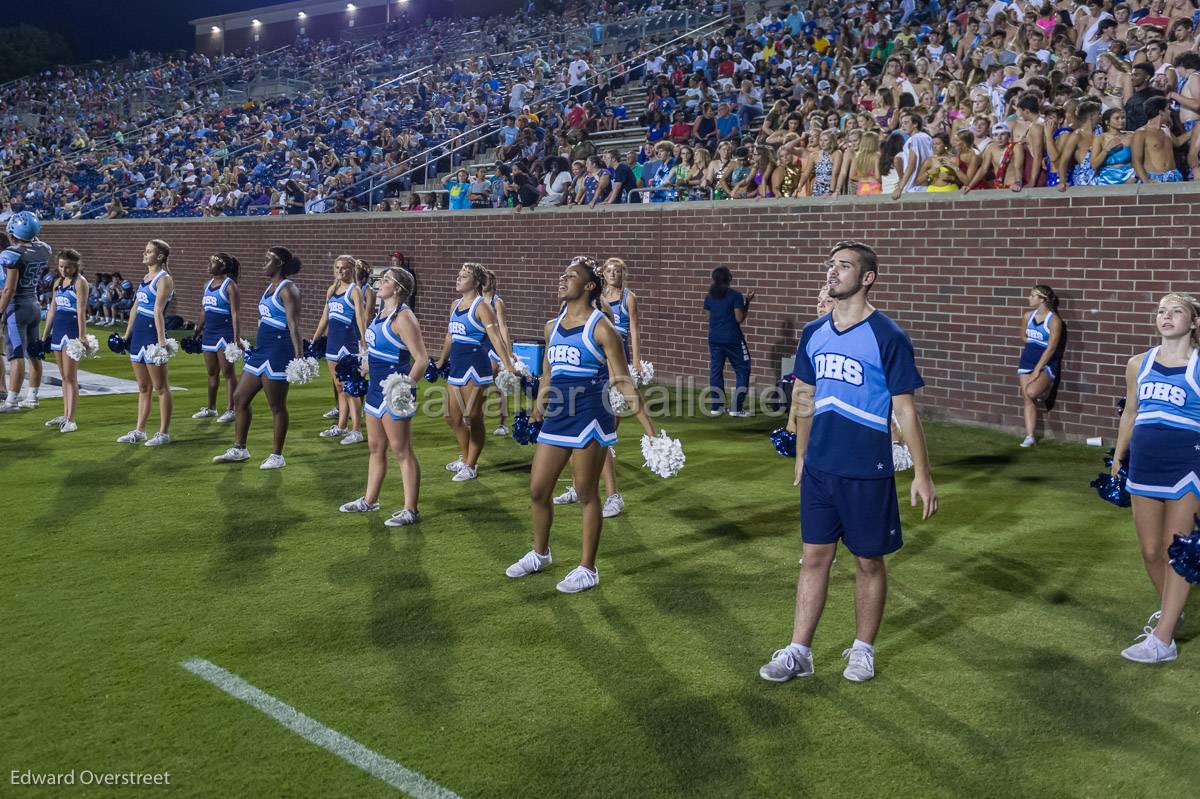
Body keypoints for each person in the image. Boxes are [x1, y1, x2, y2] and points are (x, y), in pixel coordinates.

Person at [760, 241, 937, 685]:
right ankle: (799, 650)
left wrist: (922, 473)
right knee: (813, 558)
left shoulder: (888, 336)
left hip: (867, 469)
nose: (833, 272)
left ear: (867, 277)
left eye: (844, 266)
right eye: (831, 265)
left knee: (868, 562)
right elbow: (803, 394)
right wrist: (801, 455)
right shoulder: (814, 331)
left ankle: (863, 649)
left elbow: (906, 411)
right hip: (820, 467)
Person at [505, 256, 655, 594]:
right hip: (557, 415)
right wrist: (537, 410)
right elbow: (548, 374)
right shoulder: (551, 326)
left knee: (587, 493)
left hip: (590, 416)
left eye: (570, 276)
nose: (562, 279)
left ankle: (588, 568)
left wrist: (648, 427)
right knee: (538, 489)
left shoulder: (601, 327)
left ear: (589, 286)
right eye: (562, 274)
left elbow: (622, 380)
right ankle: (540, 553)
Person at [1111, 293, 1200, 664]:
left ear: (1193, 322)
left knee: (1177, 550)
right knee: (1150, 551)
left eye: (1176, 311)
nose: (1166, 316)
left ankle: (1163, 641)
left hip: (1186, 468)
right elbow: (1130, 413)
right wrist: (1118, 458)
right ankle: (1171, 613)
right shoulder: (1138, 363)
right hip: (1144, 467)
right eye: (1161, 310)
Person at [555, 257, 648, 518]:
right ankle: (578, 487)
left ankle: (613, 496)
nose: (564, 280)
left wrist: (625, 370)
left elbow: (608, 348)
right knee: (577, 441)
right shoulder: (565, 307)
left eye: (571, 275)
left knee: (601, 440)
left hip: (600, 382)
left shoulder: (602, 308)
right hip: (571, 390)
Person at [339, 267, 428, 526]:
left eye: (386, 280)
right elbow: (378, 352)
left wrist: (405, 386)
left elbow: (421, 359)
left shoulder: (403, 318)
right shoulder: (381, 313)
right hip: (375, 390)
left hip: (394, 392)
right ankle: (370, 500)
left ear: (398, 288)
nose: (380, 283)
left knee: (402, 450)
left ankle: (411, 510)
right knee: (375, 448)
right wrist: (362, 368)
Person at [212, 246, 304, 470]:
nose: (264, 264)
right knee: (239, 397)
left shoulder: (288, 289)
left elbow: (293, 325)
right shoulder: (269, 288)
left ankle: (276, 455)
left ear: (279, 264)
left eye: (268, 260)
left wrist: (300, 358)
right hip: (262, 350)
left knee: (276, 405)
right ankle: (240, 449)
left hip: (279, 351)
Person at [436, 262, 516, 482]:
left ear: (476, 282)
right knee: (451, 417)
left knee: (473, 416)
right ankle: (465, 456)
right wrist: (441, 360)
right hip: (456, 366)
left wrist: (507, 363)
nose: (458, 278)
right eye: (459, 275)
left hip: (475, 367)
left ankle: (471, 465)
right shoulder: (455, 304)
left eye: (463, 276)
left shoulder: (483, 306)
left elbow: (495, 337)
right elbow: (449, 336)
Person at [116, 240, 175, 446]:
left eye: (149, 251)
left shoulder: (164, 279)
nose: (145, 253)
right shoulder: (145, 277)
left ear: (159, 256)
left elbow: (158, 311)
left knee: (160, 387)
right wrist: (126, 335)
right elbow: (135, 308)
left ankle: (163, 433)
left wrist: (161, 340)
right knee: (143, 387)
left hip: (151, 336)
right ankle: (140, 430)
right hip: (138, 336)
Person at [311, 255, 367, 446]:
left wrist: (364, 341)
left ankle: (356, 430)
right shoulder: (331, 290)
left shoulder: (355, 291)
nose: (340, 271)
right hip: (333, 344)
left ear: (352, 269)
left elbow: (360, 317)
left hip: (347, 344)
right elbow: (324, 318)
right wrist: (315, 339)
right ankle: (341, 426)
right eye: (337, 268)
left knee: (351, 388)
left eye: (344, 268)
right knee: (340, 388)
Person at [0, 211, 52, 413]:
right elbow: (34, 240)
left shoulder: (11, 254)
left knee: (16, 354)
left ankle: (11, 400)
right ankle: (32, 397)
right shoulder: (44, 249)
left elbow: (9, 289)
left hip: (17, 305)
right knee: (33, 352)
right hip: (34, 303)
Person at [43, 249, 88, 432]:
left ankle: (71, 419)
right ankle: (65, 414)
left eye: (68, 267)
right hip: (58, 331)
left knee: (71, 377)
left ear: (76, 266)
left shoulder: (80, 283)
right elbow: (52, 310)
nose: (63, 270)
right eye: (61, 266)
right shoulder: (57, 282)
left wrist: (82, 336)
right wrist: (45, 334)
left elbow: (81, 312)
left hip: (71, 332)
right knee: (63, 377)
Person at [192, 253, 241, 424]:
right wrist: (197, 331)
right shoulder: (208, 285)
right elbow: (203, 310)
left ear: (222, 267)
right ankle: (211, 408)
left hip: (224, 334)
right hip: (209, 334)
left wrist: (236, 338)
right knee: (212, 372)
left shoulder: (230, 286)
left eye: (212, 262)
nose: (209, 264)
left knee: (228, 373)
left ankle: (231, 409)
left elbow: (235, 313)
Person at [1016, 285, 1064, 447]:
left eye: (1033, 296)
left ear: (1042, 299)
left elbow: (1051, 348)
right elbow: (1023, 335)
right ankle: (1030, 436)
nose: (1029, 298)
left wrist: (1037, 370)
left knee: (1032, 391)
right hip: (1027, 360)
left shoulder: (1054, 320)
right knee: (1027, 397)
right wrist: (1032, 345)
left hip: (1046, 363)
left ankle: (1046, 391)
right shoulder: (1027, 316)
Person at [704, 266, 754, 416]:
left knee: (716, 371)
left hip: (714, 338)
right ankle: (736, 408)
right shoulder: (735, 295)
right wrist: (747, 302)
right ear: (729, 278)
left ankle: (716, 407)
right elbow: (739, 318)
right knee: (743, 369)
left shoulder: (709, 296)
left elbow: (708, 317)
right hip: (732, 338)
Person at [481, 268, 513, 437]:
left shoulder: (496, 301)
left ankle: (503, 422)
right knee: (481, 383)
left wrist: (507, 351)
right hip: (480, 345)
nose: (483, 283)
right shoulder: (477, 301)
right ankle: (475, 415)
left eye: (485, 280)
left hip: (494, 346)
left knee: (498, 383)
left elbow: (503, 327)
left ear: (492, 282)